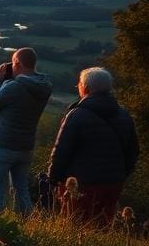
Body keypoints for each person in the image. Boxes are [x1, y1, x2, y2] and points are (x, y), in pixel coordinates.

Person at [48, 67, 139, 227]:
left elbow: (61, 152)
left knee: (74, 226)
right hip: (113, 184)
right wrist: (120, 175)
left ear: (85, 87)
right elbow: (133, 152)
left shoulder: (76, 115)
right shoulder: (125, 115)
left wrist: (53, 178)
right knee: (102, 227)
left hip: (81, 185)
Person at [0, 47, 52, 215]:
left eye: (13, 63)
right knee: (22, 191)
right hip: (25, 147)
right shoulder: (45, 86)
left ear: (17, 63)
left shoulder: (14, 87)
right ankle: (27, 226)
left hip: (2, 145)